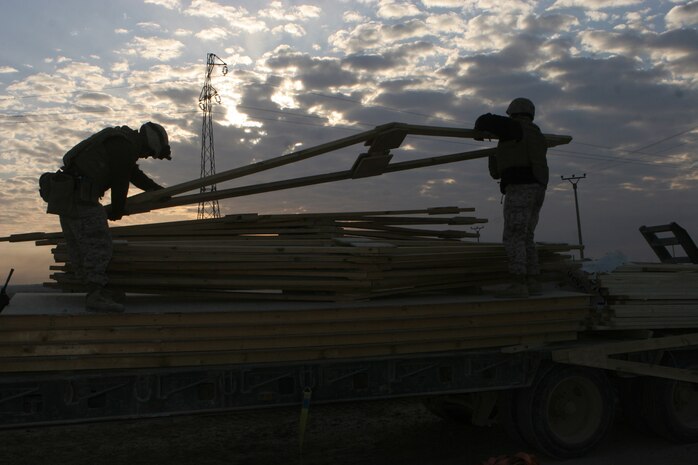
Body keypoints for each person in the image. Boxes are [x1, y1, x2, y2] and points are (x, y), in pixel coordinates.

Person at [54, 122, 171, 312]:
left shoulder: (123, 143)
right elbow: (121, 179)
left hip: (68, 196)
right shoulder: (124, 146)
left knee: (80, 245)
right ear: (149, 143)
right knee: (98, 244)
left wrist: (156, 190)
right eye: (149, 152)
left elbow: (131, 173)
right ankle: (95, 295)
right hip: (81, 198)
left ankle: (95, 290)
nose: (146, 156)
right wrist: (118, 209)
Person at [475, 98, 548, 297]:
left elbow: (484, 119)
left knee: (514, 235)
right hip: (538, 189)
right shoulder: (537, 134)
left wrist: (479, 132)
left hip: (521, 188)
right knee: (526, 236)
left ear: (513, 113)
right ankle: (533, 281)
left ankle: (518, 283)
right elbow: (499, 170)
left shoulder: (514, 127)